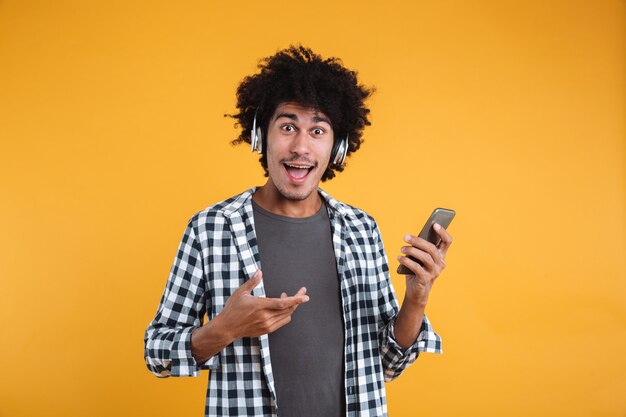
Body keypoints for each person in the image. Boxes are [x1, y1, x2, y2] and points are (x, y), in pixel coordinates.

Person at [144, 45, 452, 417]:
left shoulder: (361, 228)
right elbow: (156, 353)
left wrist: (417, 298)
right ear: (262, 134)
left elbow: (388, 363)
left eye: (317, 131)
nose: (301, 147)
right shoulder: (211, 228)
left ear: (336, 146)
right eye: (287, 127)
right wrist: (224, 329)